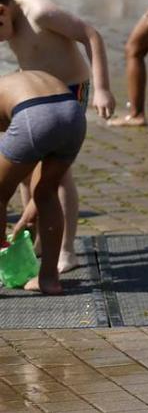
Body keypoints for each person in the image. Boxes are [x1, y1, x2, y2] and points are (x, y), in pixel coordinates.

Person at [0, 0, 114, 274]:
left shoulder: (39, 11)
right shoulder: (10, 21)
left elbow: (91, 35)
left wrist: (102, 89)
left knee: (58, 177)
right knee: (27, 175)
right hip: (35, 100)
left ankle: (66, 249)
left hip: (68, 93)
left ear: (2, 12)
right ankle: (37, 240)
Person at [0, 70, 87, 296]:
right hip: (73, 114)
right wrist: (26, 216)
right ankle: (49, 279)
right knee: (46, 194)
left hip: (33, 115)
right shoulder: (21, 79)